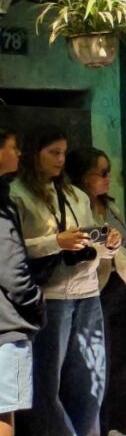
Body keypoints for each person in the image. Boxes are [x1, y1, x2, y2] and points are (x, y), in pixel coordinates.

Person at [11, 129, 121, 436]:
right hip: (50, 295)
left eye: (63, 153)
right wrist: (56, 242)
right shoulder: (18, 194)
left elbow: (91, 242)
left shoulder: (76, 195)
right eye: (53, 152)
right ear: (33, 154)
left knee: (91, 381)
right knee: (47, 384)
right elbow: (13, 248)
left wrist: (108, 244)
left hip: (87, 291)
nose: (60, 159)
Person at [65, 147, 126, 435]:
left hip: (123, 290)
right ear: (84, 177)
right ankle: (101, 423)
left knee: (125, 359)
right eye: (102, 173)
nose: (108, 178)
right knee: (100, 361)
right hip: (96, 290)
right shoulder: (76, 207)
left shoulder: (110, 207)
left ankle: (122, 422)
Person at [0, 130, 42, 436]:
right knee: (4, 411)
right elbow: (11, 267)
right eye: (13, 147)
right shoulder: (2, 205)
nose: (19, 154)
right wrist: (34, 302)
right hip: (5, 327)